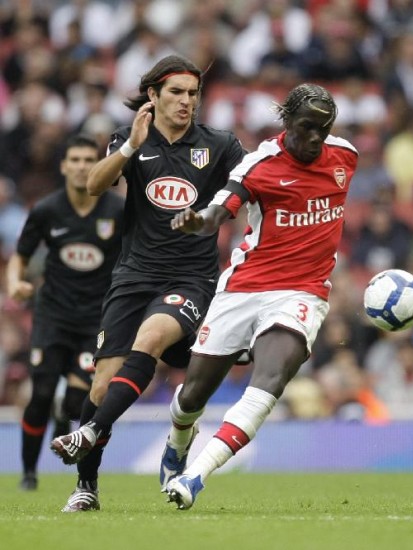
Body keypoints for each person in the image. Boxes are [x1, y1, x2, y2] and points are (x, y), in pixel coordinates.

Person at [49, 55, 245, 512]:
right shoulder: (131, 139)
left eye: (193, 94)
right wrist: (129, 146)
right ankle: (86, 487)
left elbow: (250, 190)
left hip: (191, 278)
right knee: (99, 389)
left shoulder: (219, 144)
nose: (187, 102)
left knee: (152, 336)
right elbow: (95, 185)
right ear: (153, 96)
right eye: (176, 92)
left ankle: (91, 431)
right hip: (133, 277)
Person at [161, 82, 359, 509]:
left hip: (302, 292)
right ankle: (178, 445)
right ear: (286, 120)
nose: (314, 139)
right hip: (244, 288)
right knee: (192, 396)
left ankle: (196, 474)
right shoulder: (259, 164)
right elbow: (220, 211)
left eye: (322, 131)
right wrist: (198, 222)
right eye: (306, 128)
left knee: (269, 382)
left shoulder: (346, 156)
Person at [5, 134, 124, 491]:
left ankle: (64, 415)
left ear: (98, 165)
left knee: (76, 401)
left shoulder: (116, 211)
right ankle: (28, 473)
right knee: (40, 392)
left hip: (95, 318)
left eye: (89, 159)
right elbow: (21, 255)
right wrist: (15, 282)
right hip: (53, 315)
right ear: (63, 166)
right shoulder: (47, 210)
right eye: (75, 160)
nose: (82, 166)